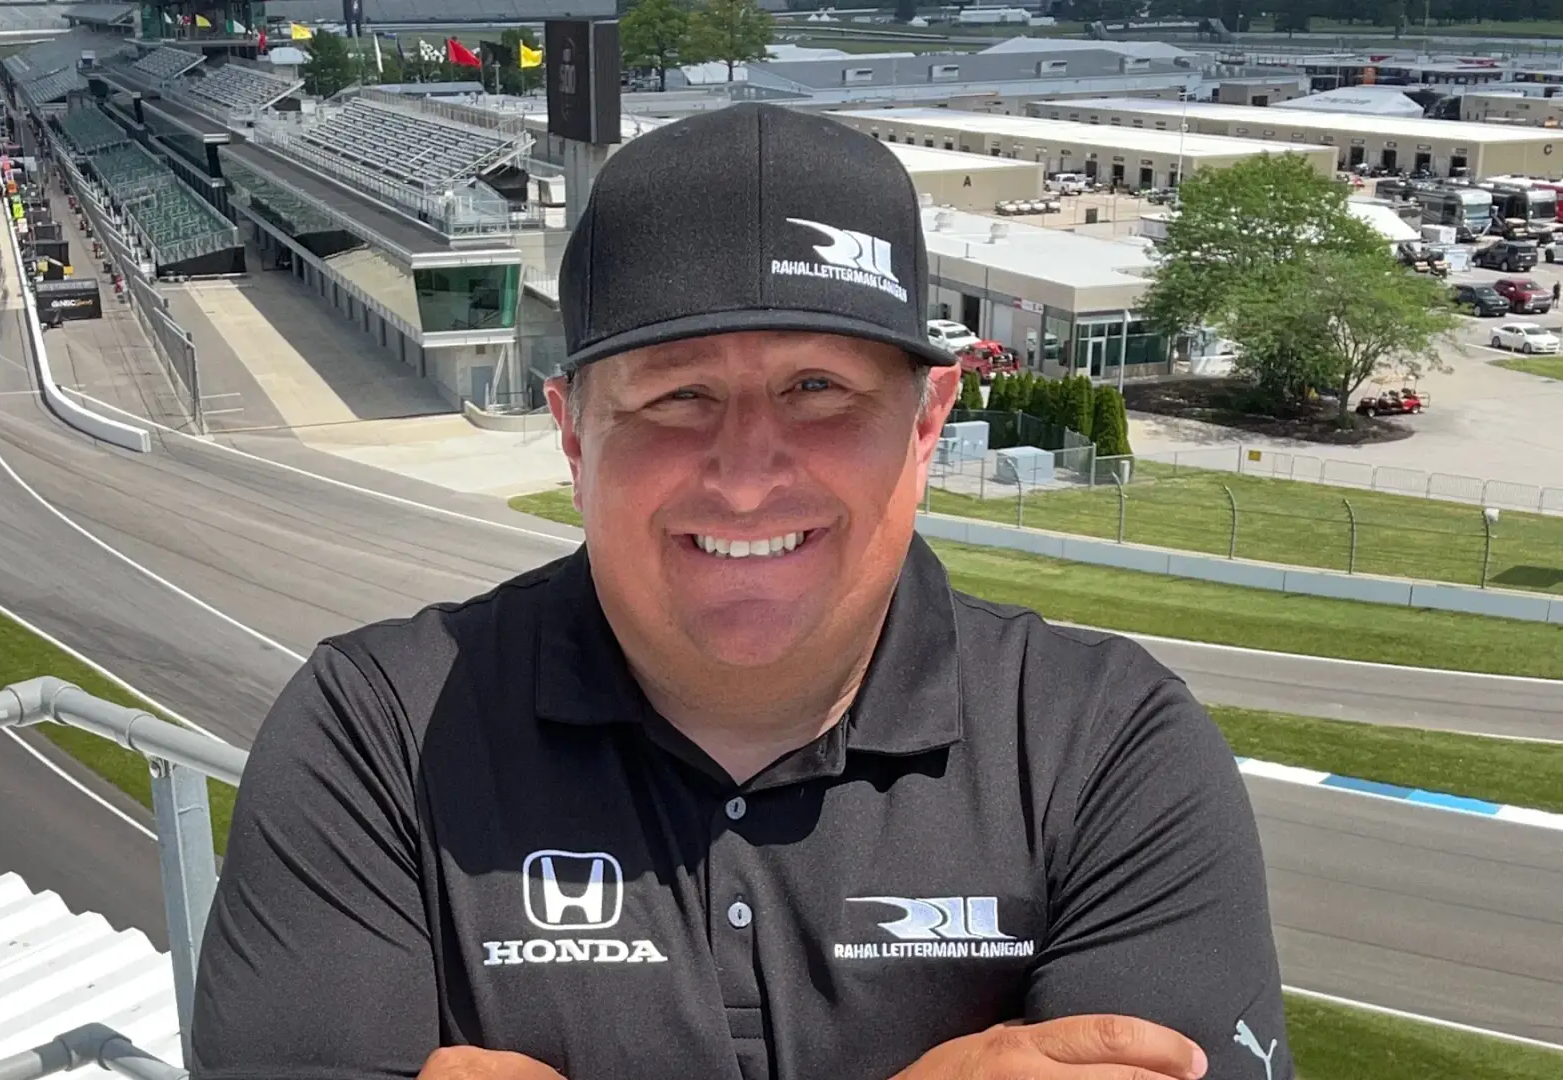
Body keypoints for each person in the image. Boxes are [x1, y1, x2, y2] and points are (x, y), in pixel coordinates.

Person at [191, 103, 1288, 1080]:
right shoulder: (378, 739)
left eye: (818, 387)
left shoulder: (1108, 751)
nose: (748, 475)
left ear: (926, 422)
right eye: (678, 395)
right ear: (574, 434)